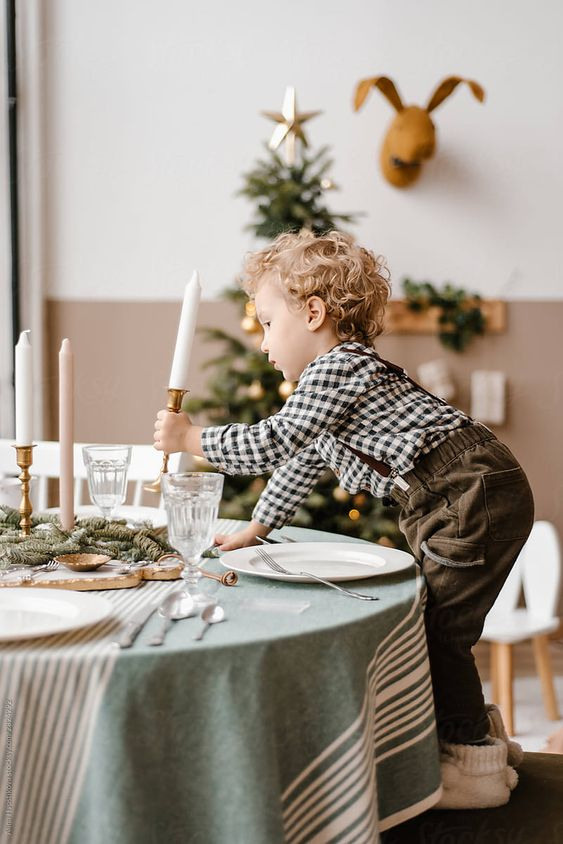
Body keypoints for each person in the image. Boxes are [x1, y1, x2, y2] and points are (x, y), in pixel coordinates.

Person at [153, 229, 534, 809]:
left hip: (468, 492)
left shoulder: (338, 368)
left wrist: (192, 438)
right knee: (435, 625)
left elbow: (272, 442)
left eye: (267, 324)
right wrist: (258, 527)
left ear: (313, 314)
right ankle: (477, 741)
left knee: (439, 633)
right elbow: (303, 459)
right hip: (452, 495)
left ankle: (472, 762)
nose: (263, 344)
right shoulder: (332, 385)